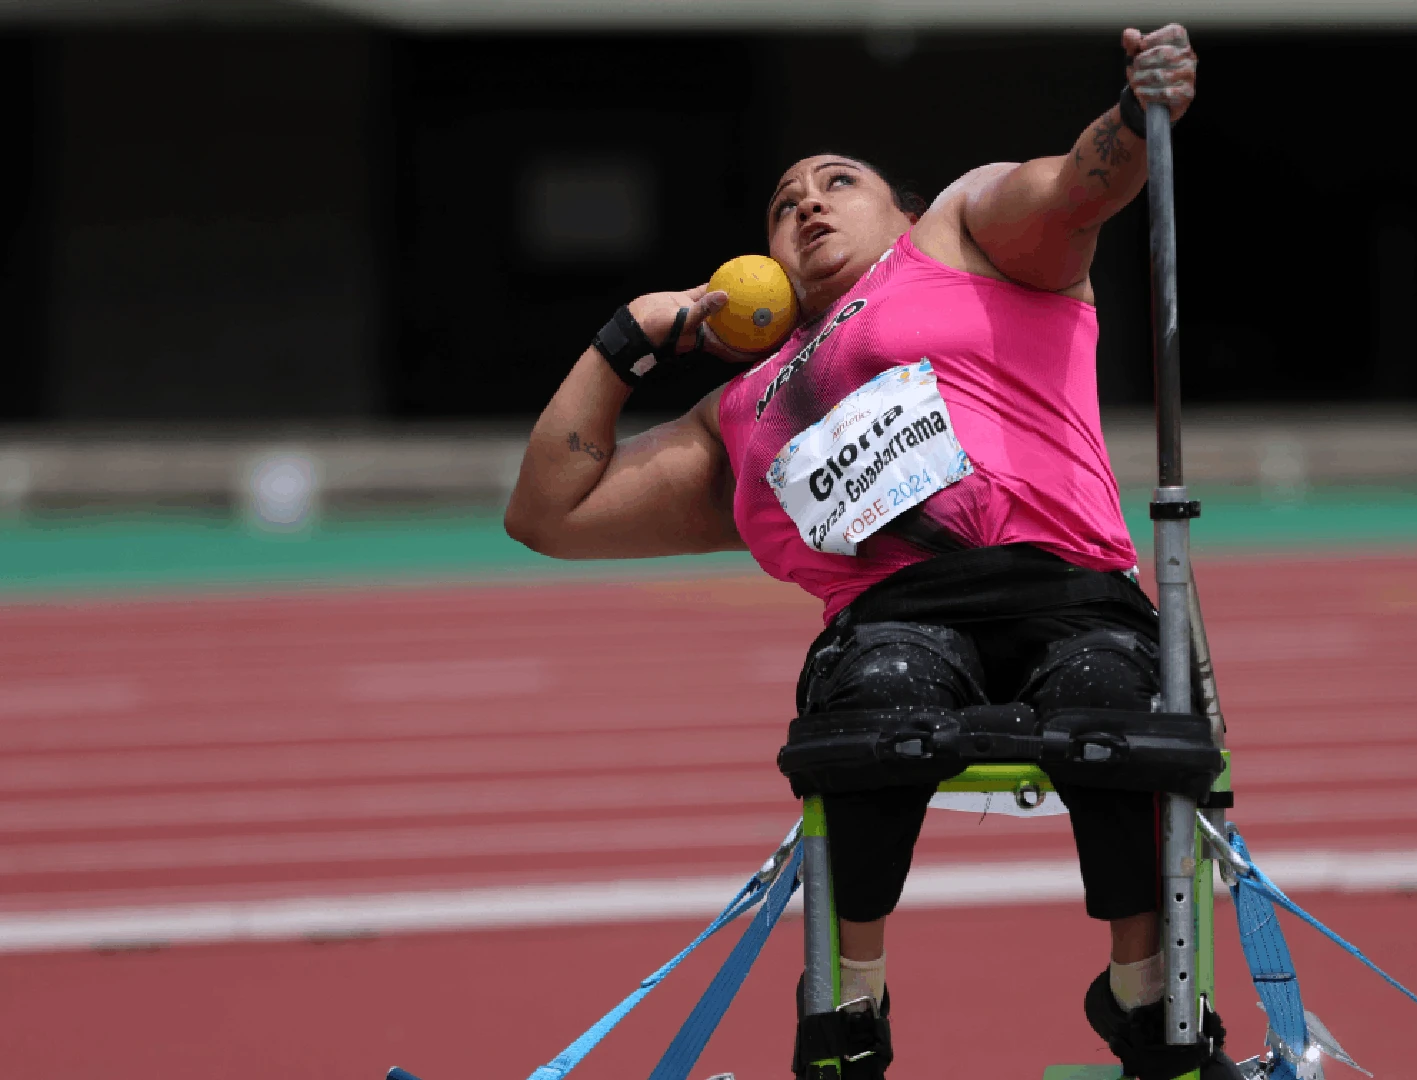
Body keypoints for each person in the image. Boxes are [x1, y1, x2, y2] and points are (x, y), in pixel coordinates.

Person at [504, 24, 1226, 1080]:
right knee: (876, 703)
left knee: (1114, 692)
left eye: (837, 182)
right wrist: (626, 339)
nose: (806, 202)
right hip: (893, 618)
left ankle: (1142, 995)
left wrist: (1135, 112)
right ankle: (848, 1010)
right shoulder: (739, 412)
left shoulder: (963, 239)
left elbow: (1078, 188)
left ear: (898, 208)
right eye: (783, 201)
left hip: (1070, 588)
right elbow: (549, 516)